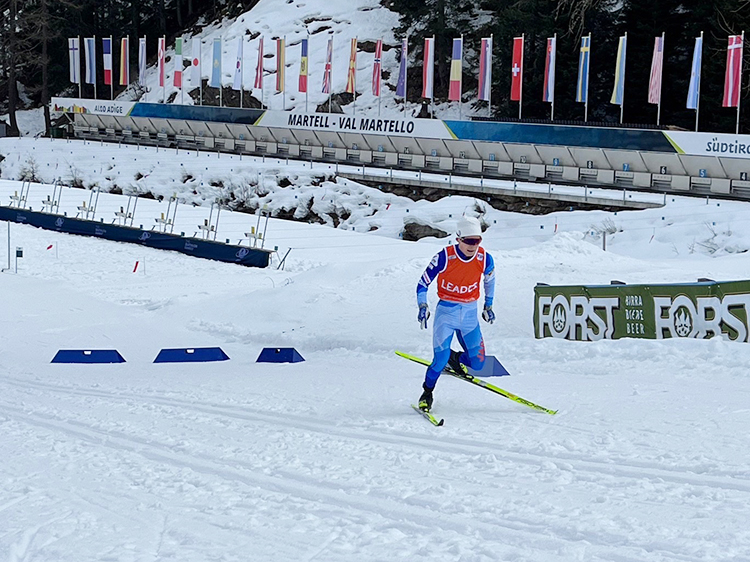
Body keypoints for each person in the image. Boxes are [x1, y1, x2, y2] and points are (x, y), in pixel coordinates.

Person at [415, 216, 496, 411]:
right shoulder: (444, 256)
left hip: (469, 315)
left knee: (478, 363)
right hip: (446, 315)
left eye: (476, 241)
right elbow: (423, 283)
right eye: (468, 241)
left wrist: (488, 305)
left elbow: (489, 281)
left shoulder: (484, 258)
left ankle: (455, 359)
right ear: (458, 238)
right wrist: (423, 305)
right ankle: (427, 392)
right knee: (439, 361)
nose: (472, 245)